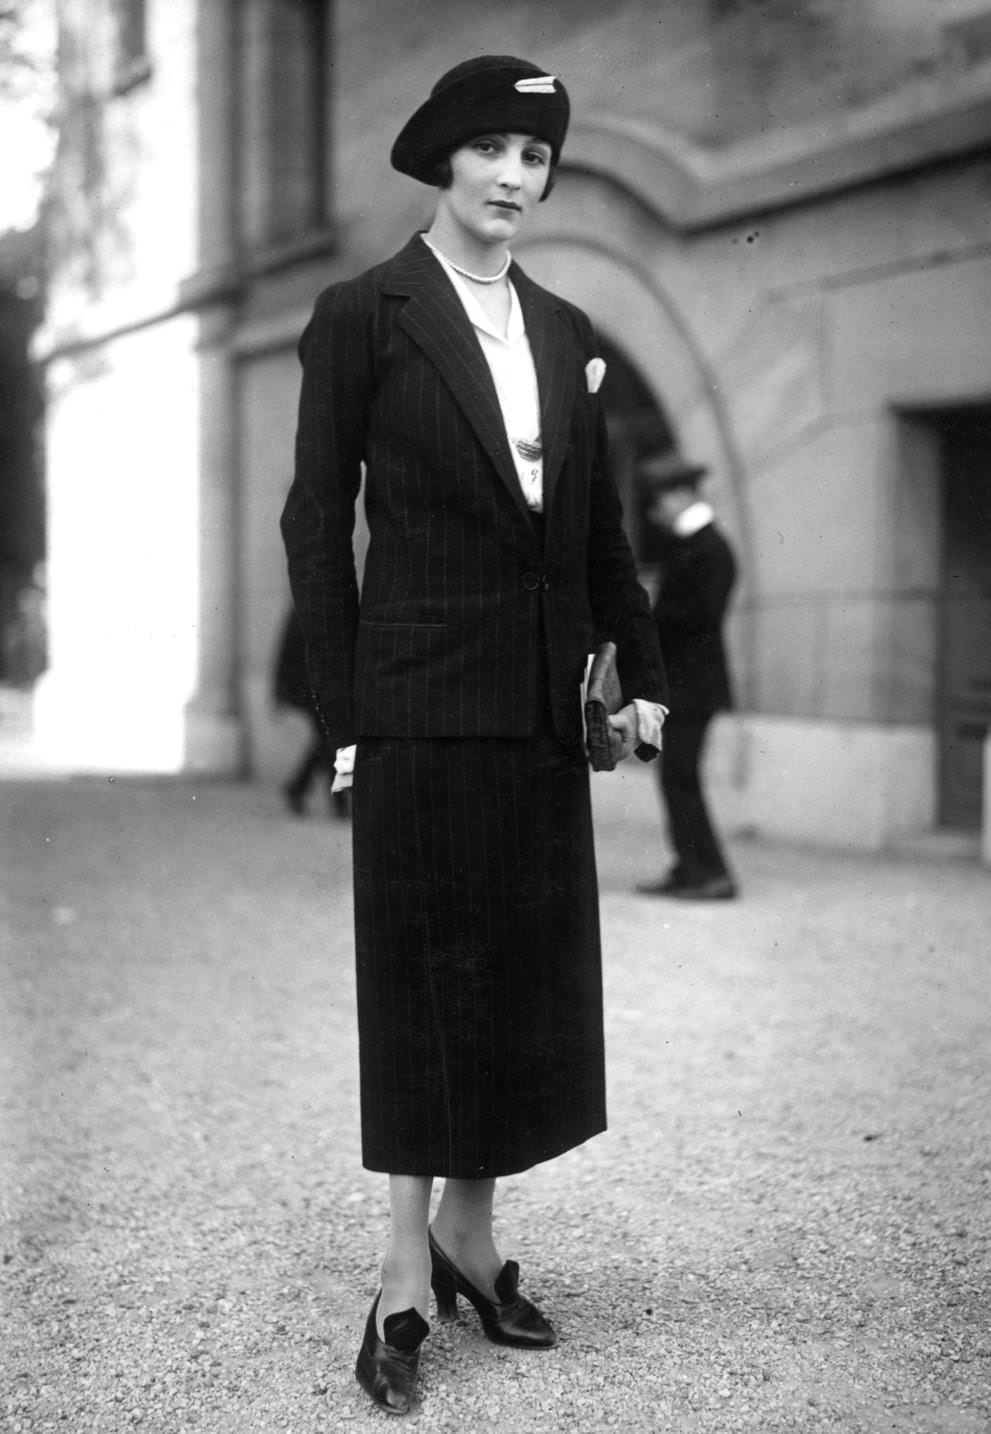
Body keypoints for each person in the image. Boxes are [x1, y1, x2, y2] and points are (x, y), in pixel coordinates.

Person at [281, 55, 668, 1417]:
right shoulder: (363, 315)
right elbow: (313, 523)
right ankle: (400, 1264)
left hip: (536, 713)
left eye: (535, 156)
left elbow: (596, 526)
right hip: (419, 709)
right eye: (492, 149)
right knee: (419, 980)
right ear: (442, 160)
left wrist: (645, 668)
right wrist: (346, 718)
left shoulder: (562, 328)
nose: (515, 176)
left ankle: (470, 1230)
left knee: (511, 978)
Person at [635, 452, 738, 900]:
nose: (656, 514)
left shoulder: (709, 546)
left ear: (680, 495)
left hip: (694, 684)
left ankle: (711, 874)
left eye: (660, 502)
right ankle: (690, 868)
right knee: (676, 776)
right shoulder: (694, 544)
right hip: (688, 682)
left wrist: (655, 606)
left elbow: (702, 614)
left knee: (681, 776)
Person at [272, 606, 350, 819]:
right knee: (328, 741)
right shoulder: (302, 612)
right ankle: (337, 799)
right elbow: (289, 655)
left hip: (313, 688)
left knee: (324, 742)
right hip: (310, 689)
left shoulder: (301, 610)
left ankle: (301, 789)